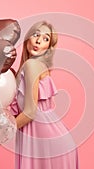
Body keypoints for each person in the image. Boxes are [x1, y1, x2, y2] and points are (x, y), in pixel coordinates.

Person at [9, 21, 79, 169]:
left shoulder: (31, 65)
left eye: (46, 39)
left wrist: (3, 132)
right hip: (55, 141)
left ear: (49, 48)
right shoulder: (34, 65)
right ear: (28, 38)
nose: (39, 41)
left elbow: (29, 112)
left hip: (48, 142)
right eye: (36, 35)